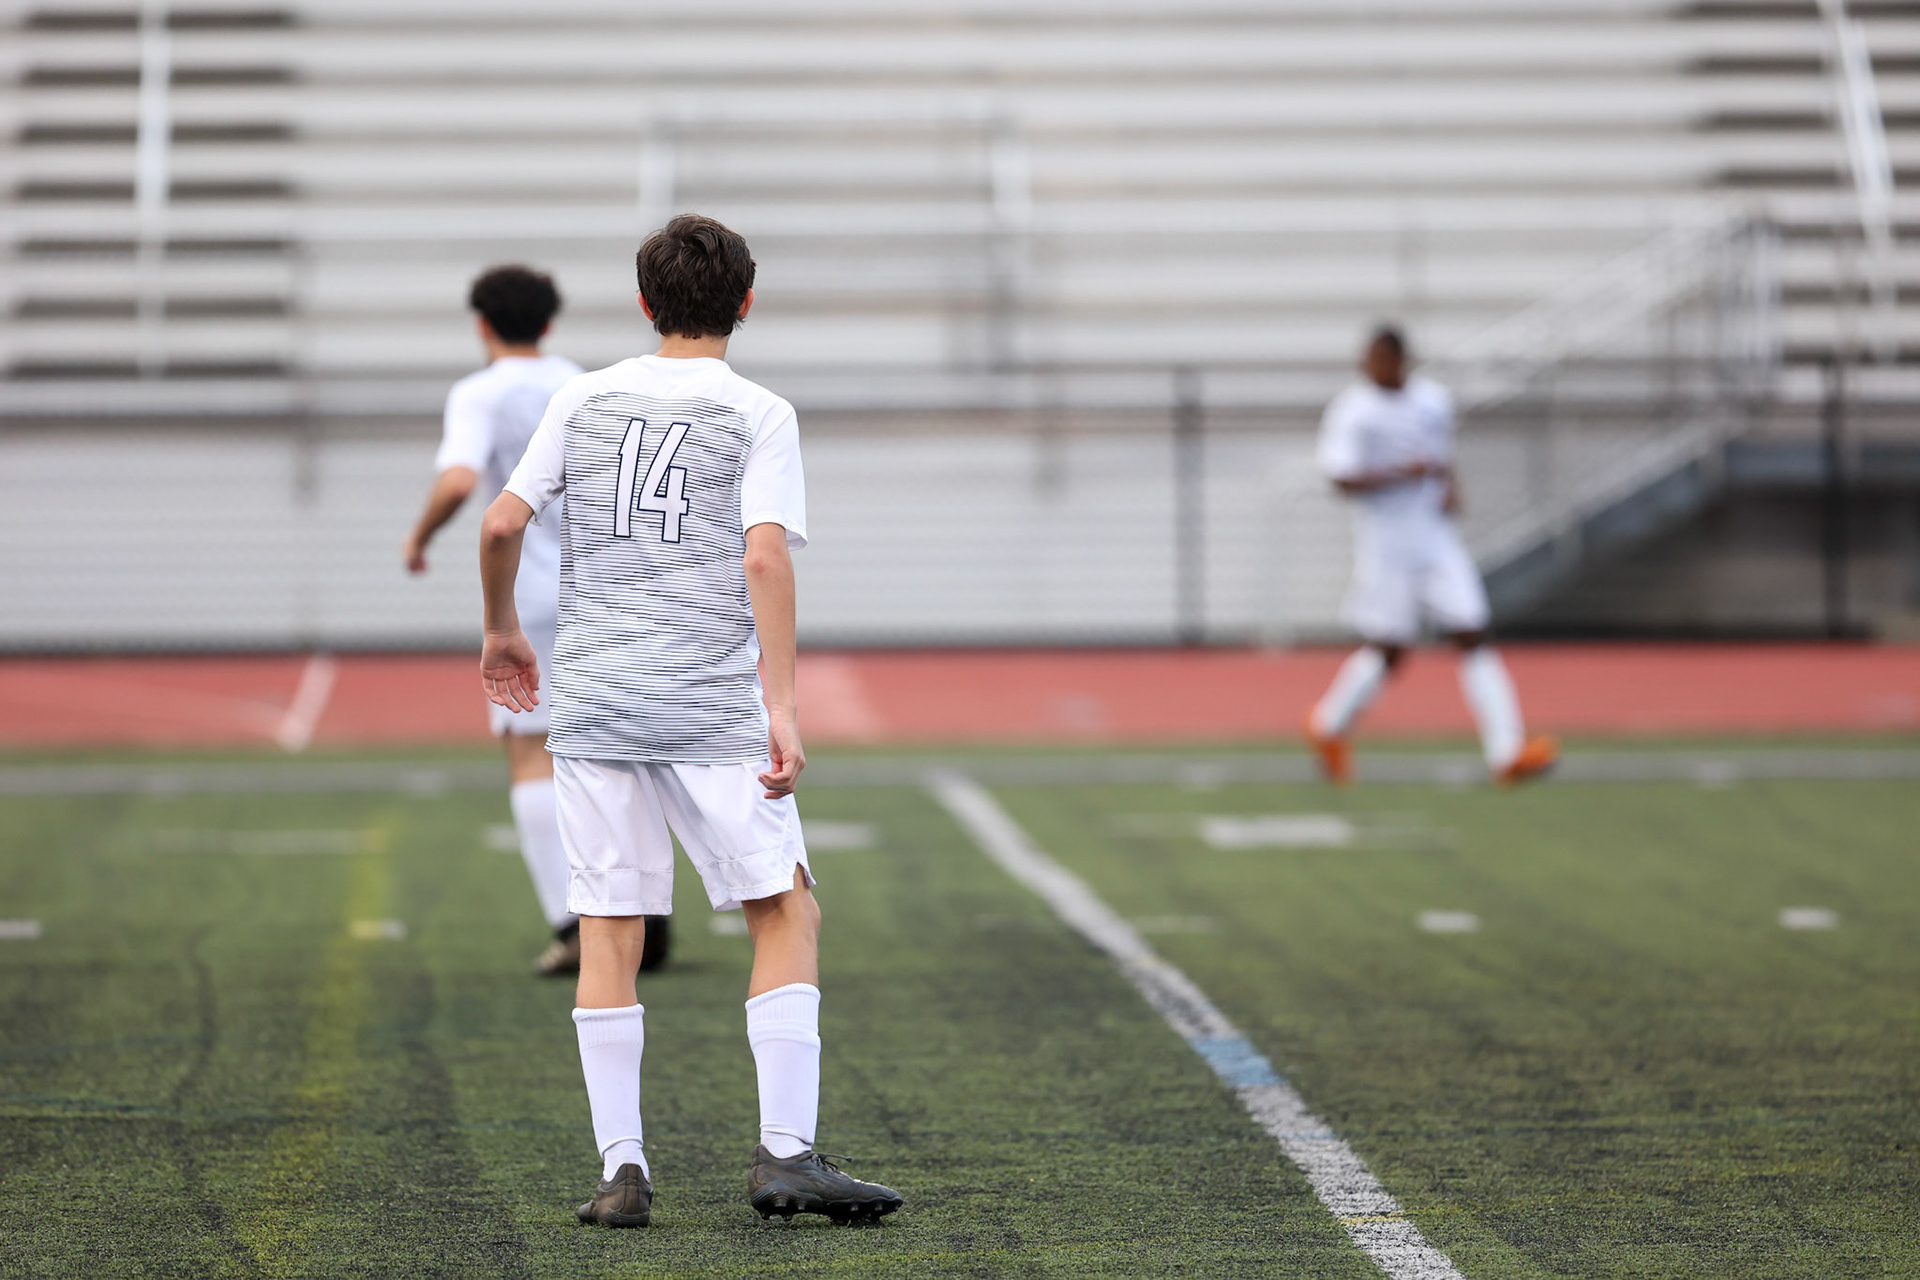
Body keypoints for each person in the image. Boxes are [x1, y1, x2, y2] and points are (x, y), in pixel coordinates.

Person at [476, 214, 903, 1229]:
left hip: (592, 701)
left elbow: (501, 520)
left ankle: (623, 1171)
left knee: (609, 928)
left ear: (642, 302)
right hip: (708, 702)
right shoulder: (759, 410)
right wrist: (784, 706)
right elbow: (764, 556)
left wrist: (502, 631)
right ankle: (786, 1154)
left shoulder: (582, 393)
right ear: (745, 302)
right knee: (783, 907)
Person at [404, 264, 670, 976]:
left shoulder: (480, 393)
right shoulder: (585, 381)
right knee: (617, 750)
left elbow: (462, 479)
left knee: (532, 754)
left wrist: (420, 537)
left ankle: (573, 919)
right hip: (608, 587)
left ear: (482, 324)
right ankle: (647, 907)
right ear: (550, 323)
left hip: (531, 595)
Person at [1304, 325, 1559, 786]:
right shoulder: (1353, 412)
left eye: (1379, 359)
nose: (1369, 367)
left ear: (1400, 360)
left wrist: (1449, 488)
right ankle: (1328, 726)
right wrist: (1400, 474)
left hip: (1437, 540)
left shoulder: (1433, 401)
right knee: (1390, 652)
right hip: (1388, 546)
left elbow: (1440, 459)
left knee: (1473, 633)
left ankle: (1507, 753)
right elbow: (1340, 480)